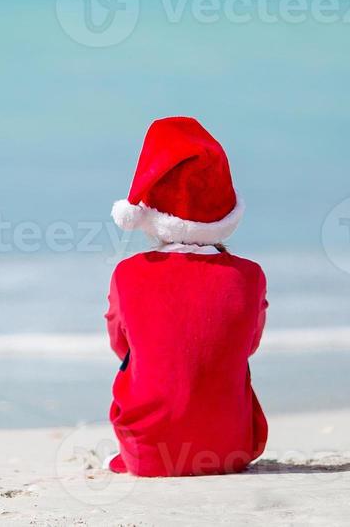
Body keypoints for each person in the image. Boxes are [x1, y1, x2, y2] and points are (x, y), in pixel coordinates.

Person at [104, 117, 269, 477]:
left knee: (134, 363)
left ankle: (153, 438)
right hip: (232, 449)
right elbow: (247, 344)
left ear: (150, 211)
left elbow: (120, 344)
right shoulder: (250, 276)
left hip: (147, 457)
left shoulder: (128, 274)